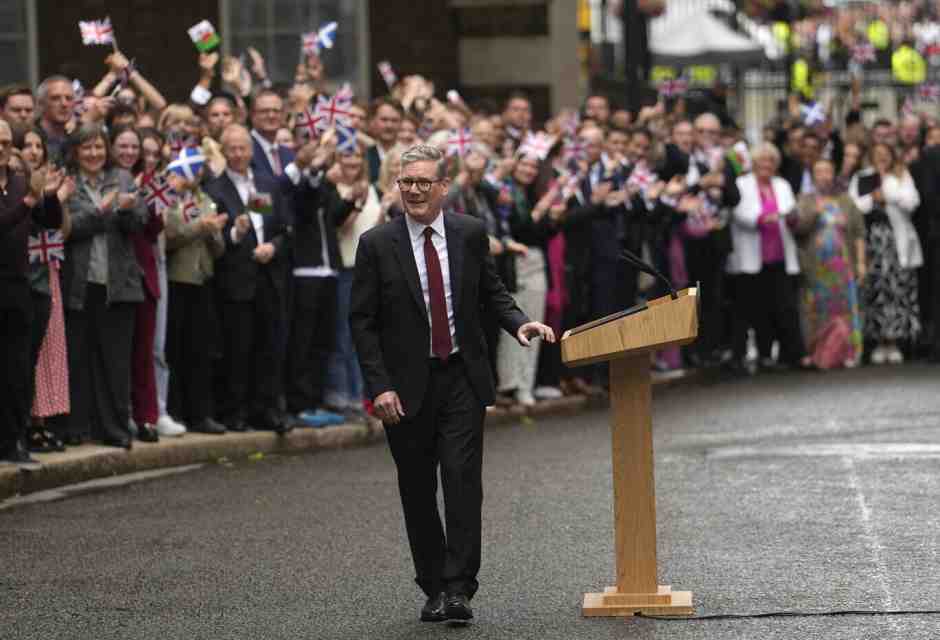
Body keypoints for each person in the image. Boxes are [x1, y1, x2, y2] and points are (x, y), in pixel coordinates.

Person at [350, 144, 555, 622]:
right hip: (404, 385)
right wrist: (379, 386)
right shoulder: (377, 243)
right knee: (417, 487)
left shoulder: (469, 233)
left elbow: (491, 291)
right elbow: (362, 321)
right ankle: (434, 586)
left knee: (462, 482)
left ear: (445, 187)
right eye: (407, 182)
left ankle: (460, 587)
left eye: (425, 182)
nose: (415, 190)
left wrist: (518, 322)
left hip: (462, 374)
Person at [61, 123, 148, 449]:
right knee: (79, 358)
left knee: (115, 362)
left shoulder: (122, 178)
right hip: (80, 284)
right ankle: (77, 427)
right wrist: (104, 210)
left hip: (118, 285)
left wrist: (125, 211)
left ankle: (114, 428)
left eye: (99, 147)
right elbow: (68, 227)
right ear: (75, 152)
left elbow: (138, 221)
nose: (94, 153)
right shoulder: (68, 183)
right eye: (87, 148)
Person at [207, 124, 291, 433]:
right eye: (233, 149)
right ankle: (235, 412)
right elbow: (213, 240)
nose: (239, 154)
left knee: (268, 347)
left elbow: (283, 229)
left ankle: (266, 410)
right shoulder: (215, 188)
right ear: (224, 152)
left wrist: (273, 247)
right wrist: (234, 234)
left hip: (269, 278)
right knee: (237, 349)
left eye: (244, 148)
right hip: (235, 281)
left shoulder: (266, 184)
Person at [0, 119, 65, 464]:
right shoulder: (22, 190)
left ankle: (12, 441)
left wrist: (50, 197)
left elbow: (48, 223)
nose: (1, 148)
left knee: (19, 369)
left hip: (17, 286)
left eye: (6, 142)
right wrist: (28, 199)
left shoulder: (19, 181)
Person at [16, 125, 74, 453]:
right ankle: (21, 426)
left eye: (40, 145)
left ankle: (38, 425)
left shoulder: (47, 185)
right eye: (28, 145)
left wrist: (54, 198)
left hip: (45, 276)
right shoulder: (14, 186)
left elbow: (58, 228)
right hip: (21, 279)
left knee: (44, 356)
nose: (35, 151)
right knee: (21, 359)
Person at [727, 142, 809, 370]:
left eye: (771, 161)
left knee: (784, 306)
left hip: (780, 254)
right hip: (750, 255)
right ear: (753, 163)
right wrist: (763, 218)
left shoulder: (781, 184)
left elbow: (791, 211)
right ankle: (741, 357)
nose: (767, 165)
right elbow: (739, 213)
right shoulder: (742, 184)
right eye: (762, 160)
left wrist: (792, 217)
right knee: (749, 308)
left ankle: (789, 354)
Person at [164, 163, 228, 434]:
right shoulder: (169, 198)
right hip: (177, 280)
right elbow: (169, 237)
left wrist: (213, 231)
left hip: (203, 280)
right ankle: (176, 411)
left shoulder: (206, 200)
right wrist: (200, 226)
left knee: (200, 351)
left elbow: (219, 248)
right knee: (176, 351)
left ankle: (201, 414)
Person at [111, 126, 164, 442]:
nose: (130, 152)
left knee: (144, 351)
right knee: (119, 352)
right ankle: (121, 414)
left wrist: (152, 196)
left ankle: (146, 416)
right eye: (123, 145)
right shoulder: (107, 179)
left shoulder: (148, 183)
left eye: (135, 148)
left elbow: (154, 228)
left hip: (143, 275)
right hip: (113, 276)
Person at [849, 143, 922, 364]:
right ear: (870, 156)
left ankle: (895, 341)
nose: (881, 158)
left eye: (885, 154)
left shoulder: (901, 175)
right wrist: (872, 198)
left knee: (897, 290)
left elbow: (912, 202)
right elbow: (854, 207)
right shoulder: (862, 177)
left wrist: (887, 195)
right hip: (870, 242)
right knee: (875, 290)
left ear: (892, 156)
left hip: (895, 241)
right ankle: (878, 341)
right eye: (877, 154)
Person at [794, 158, 866, 369]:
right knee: (816, 310)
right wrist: (813, 213)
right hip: (816, 267)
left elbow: (859, 233)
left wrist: (861, 263)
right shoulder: (805, 200)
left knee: (845, 309)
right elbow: (798, 230)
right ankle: (818, 353)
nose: (824, 176)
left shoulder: (845, 200)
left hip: (843, 266)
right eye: (819, 172)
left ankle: (848, 352)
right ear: (813, 176)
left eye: (828, 171)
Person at [365, 98, 403, 181]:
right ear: (373, 121)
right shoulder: (364, 157)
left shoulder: (409, 156)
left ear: (401, 123)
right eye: (384, 120)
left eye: (394, 120)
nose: (389, 125)